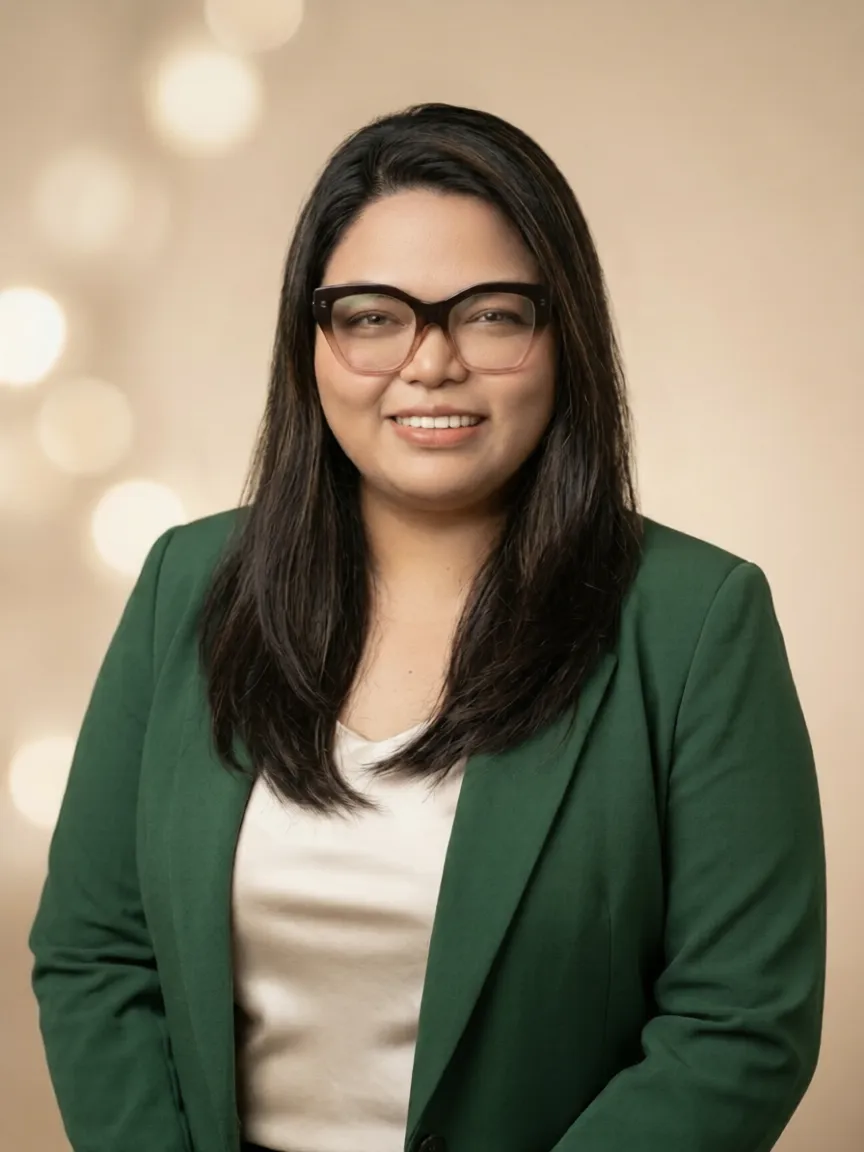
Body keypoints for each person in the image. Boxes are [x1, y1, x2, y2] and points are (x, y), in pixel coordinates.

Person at [29, 103, 825, 1152]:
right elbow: (96, 955)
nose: (431, 361)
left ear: (562, 334)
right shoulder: (191, 580)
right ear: (311, 342)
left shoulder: (695, 621)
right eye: (372, 315)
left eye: (492, 314)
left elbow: (740, 1025)